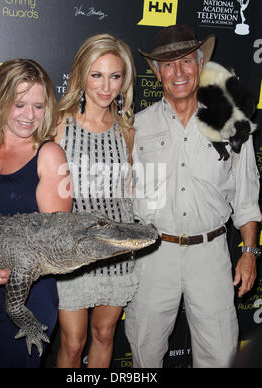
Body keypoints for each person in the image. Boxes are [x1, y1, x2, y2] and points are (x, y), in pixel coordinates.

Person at [124, 24, 261, 368]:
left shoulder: (232, 122)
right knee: (144, 354)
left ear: (201, 65)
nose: (179, 72)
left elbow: (246, 196)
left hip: (211, 257)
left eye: (186, 61)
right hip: (152, 256)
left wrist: (248, 253)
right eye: (168, 65)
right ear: (156, 72)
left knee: (220, 354)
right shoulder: (135, 128)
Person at [0, 59, 72, 368]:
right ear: (0, 98)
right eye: (19, 104)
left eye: (38, 106)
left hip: (26, 294)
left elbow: (57, 242)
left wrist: (9, 267)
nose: (29, 116)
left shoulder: (49, 155)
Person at [54, 33, 137, 368]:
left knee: (104, 335)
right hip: (72, 252)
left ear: (124, 80)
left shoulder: (127, 128)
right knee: (73, 344)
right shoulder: (60, 124)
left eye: (115, 76)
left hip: (115, 251)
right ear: (82, 75)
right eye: (97, 75)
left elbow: (128, 192)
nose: (106, 87)